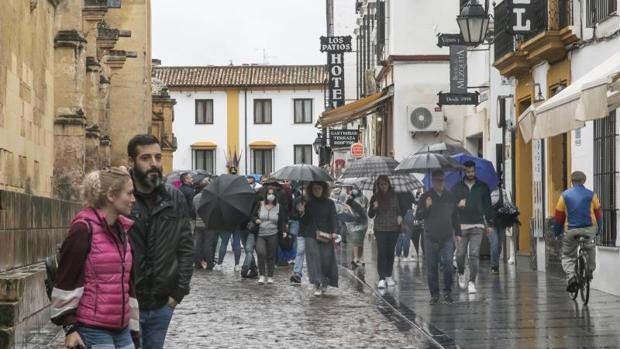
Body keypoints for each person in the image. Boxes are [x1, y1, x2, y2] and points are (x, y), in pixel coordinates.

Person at [51, 168, 140, 348]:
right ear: (111, 195)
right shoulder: (83, 229)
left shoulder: (122, 229)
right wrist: (70, 327)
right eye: (129, 193)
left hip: (121, 329)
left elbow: (127, 283)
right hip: (92, 329)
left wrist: (134, 329)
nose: (133, 199)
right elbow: (66, 280)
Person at [126, 134, 194, 349]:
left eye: (157, 157)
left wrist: (178, 292)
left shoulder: (174, 198)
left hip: (161, 304)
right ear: (131, 161)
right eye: (145, 158)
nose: (154, 163)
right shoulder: (121, 197)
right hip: (126, 304)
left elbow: (185, 247)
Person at [415, 170, 461, 304]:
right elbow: (418, 216)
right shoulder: (425, 197)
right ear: (432, 181)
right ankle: (434, 294)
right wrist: (427, 207)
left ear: (444, 181)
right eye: (436, 180)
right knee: (432, 267)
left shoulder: (449, 196)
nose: (439, 183)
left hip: (446, 236)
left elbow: (455, 216)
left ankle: (447, 291)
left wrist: (458, 233)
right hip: (430, 237)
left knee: (448, 265)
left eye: (441, 180)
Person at [553, 171, 602, 292]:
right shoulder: (592, 195)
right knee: (589, 247)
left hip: (571, 230)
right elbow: (599, 214)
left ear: (571, 181)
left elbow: (559, 217)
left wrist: (556, 232)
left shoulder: (564, 195)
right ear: (584, 181)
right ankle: (589, 270)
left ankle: (571, 277)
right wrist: (599, 230)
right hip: (589, 229)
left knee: (568, 255)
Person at [451, 160, 493, 294]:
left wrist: (489, 224)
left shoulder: (483, 187)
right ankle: (461, 273)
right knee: (460, 254)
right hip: (461, 225)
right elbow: (450, 207)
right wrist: (458, 204)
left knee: (474, 254)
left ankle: (472, 282)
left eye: (472, 171)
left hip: (478, 224)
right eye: (468, 171)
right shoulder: (457, 187)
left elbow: (488, 206)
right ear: (464, 171)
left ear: (475, 171)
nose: (470, 174)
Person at [298, 181, 339, 296]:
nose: (316, 191)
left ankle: (325, 281)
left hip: (327, 235)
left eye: (319, 189)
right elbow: (304, 222)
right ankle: (317, 283)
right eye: (314, 189)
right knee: (314, 259)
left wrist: (335, 231)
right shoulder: (308, 203)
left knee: (326, 260)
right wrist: (301, 212)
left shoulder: (330, 203)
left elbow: (334, 218)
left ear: (323, 190)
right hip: (311, 234)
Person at [368, 175, 403, 290]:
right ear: (378, 185)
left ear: (389, 184)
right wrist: (374, 208)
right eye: (381, 184)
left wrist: (400, 216)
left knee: (390, 253)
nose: (384, 186)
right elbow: (370, 215)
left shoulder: (395, 196)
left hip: (393, 228)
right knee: (382, 253)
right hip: (380, 229)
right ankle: (382, 278)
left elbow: (399, 209)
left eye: (385, 183)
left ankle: (388, 275)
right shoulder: (375, 197)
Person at [252, 187, 287, 284]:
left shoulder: (279, 207)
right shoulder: (260, 204)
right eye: (269, 193)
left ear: (275, 196)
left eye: (272, 194)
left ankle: (270, 276)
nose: (270, 196)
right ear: (266, 195)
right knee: (261, 252)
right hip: (260, 233)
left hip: (273, 233)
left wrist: (284, 230)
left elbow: (282, 220)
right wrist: (256, 220)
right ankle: (262, 275)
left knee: (271, 256)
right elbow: (253, 215)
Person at [489, 183, 519, 274]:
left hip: (501, 222)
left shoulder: (503, 192)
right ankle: (494, 265)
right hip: (490, 222)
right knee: (494, 243)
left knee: (499, 245)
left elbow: (509, 204)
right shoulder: (486, 192)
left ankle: (495, 262)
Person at [346, 187, 368, 268]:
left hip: (363, 222)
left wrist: (364, 206)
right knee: (355, 240)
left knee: (361, 241)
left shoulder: (364, 198)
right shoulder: (350, 198)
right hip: (354, 223)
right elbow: (347, 204)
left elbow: (366, 207)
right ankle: (355, 258)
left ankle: (359, 258)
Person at [193, 177, 212, 269]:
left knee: (198, 244)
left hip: (198, 223)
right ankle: (209, 264)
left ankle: (198, 263)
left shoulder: (195, 197)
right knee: (207, 245)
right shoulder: (209, 198)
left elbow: (194, 210)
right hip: (208, 223)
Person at [395, 190, 416, 262]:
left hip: (399, 215)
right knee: (407, 236)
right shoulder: (409, 192)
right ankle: (406, 256)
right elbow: (415, 201)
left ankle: (397, 255)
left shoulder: (396, 193)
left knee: (399, 236)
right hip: (408, 213)